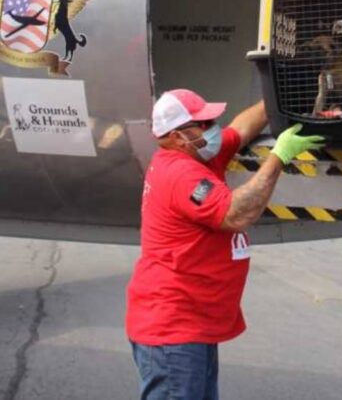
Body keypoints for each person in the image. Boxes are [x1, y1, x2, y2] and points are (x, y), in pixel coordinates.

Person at [126, 89, 323, 400]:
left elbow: (242, 128)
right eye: (204, 124)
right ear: (177, 137)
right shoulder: (180, 173)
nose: (213, 128)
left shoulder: (198, 153)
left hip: (191, 328)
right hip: (173, 330)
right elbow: (236, 214)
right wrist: (278, 157)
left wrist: (282, 94)